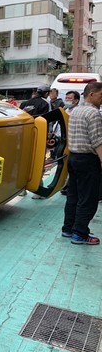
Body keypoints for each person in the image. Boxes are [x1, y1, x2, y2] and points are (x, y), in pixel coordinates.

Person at [61, 81, 102, 245]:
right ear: (91, 94)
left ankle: (68, 228)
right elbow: (98, 141)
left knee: (73, 196)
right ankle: (80, 234)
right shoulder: (94, 114)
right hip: (88, 160)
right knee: (88, 198)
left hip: (74, 158)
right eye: (101, 95)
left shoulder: (75, 111)